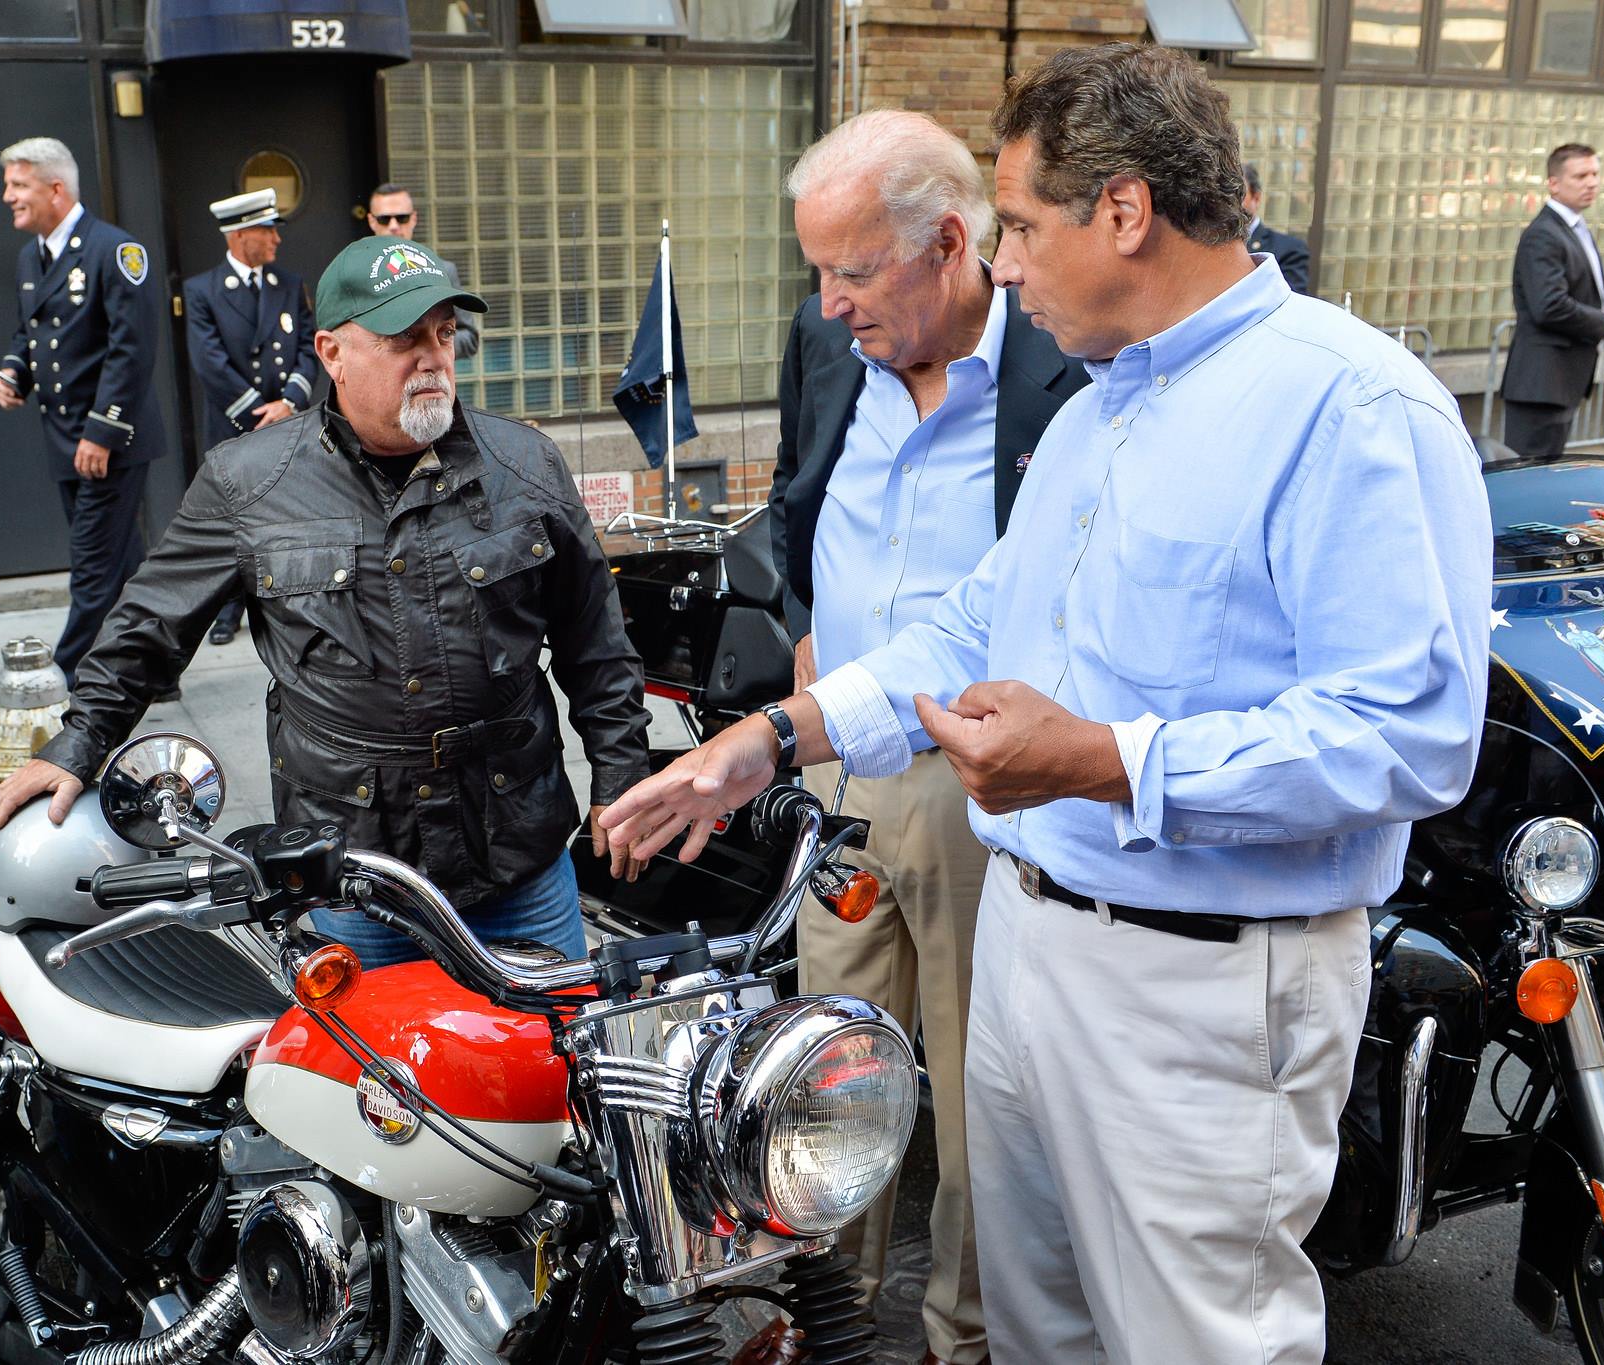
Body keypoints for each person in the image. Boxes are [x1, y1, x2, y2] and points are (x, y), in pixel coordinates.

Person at [601, 44, 1491, 1364]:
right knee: (1040, 1332)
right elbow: (977, 622)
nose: (1001, 266)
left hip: (1196, 983)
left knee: (1197, 1340)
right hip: (1033, 943)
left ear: (1124, 212)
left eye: (1017, 225)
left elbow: (1409, 733)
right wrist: (773, 739)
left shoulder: (1347, 406)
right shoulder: (1102, 406)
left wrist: (1101, 760)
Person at [0, 235, 649, 965]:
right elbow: (148, 627)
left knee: (545, 1066)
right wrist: (80, 742)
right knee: (365, 1079)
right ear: (330, 352)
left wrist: (621, 776)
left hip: (518, 865)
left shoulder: (526, 464)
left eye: (445, 333)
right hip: (351, 876)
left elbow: (596, 643)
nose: (432, 357)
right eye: (402, 337)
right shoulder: (250, 481)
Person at [758, 108, 1085, 1365]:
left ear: (948, 242)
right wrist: (801, 628)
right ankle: (819, 1322)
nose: (829, 303)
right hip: (843, 765)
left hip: (975, 781)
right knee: (825, 1067)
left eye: (850, 270)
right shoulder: (827, 340)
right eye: (817, 274)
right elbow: (798, 497)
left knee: (972, 1088)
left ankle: (965, 1336)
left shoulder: (1061, 374)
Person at [0, 136, 166, 686]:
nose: (7, 196)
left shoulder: (114, 250)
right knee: (123, 565)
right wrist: (13, 369)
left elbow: (131, 349)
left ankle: (57, 685)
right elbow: (33, 331)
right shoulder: (31, 255)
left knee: (92, 569)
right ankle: (155, 669)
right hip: (64, 437)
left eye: (19, 185)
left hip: (108, 440)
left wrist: (102, 432)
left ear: (56, 189)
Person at [181, 188, 320, 646]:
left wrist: (289, 403)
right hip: (236, 424)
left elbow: (306, 346)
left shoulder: (288, 283)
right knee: (234, 521)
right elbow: (209, 362)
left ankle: (290, 608)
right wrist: (255, 413)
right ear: (241, 236)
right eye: (268, 231)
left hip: (285, 421)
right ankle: (228, 610)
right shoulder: (202, 290)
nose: (277, 240)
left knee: (288, 518)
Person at [1502, 142, 1604, 460]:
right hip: (1542, 383)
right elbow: (1548, 306)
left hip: (1560, 382)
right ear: (1554, 183)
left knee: (1543, 475)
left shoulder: (1573, 228)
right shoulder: (1545, 234)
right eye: (1580, 176)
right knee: (1529, 476)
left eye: (1595, 174)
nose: (1592, 182)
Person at [367, 183, 479, 360]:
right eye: (384, 219)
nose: (394, 226)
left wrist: (430, 344)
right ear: (372, 221)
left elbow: (469, 338)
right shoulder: (359, 275)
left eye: (402, 218)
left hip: (431, 378)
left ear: (413, 219)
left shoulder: (441, 270)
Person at [1243, 162, 1311, 294]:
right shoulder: (1208, 244)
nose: (1229, 202)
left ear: (1256, 198)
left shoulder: (1290, 249)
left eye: (1238, 194)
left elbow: (1289, 302)